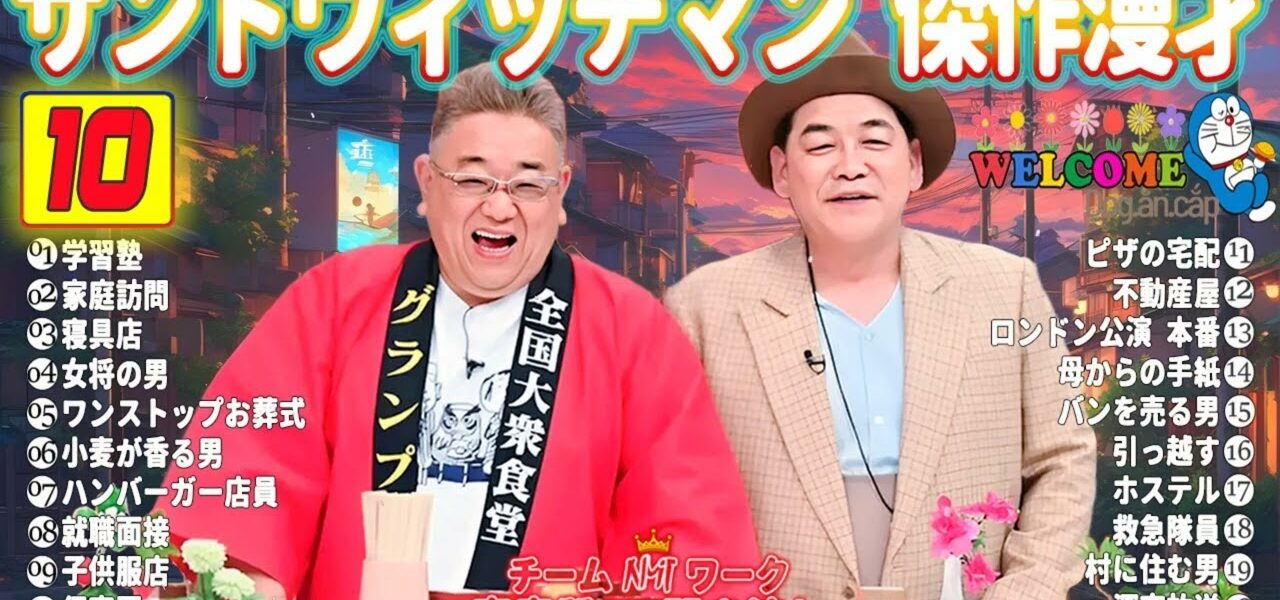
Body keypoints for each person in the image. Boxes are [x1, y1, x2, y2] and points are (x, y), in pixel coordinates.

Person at [154, 64, 759, 599]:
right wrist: (245, 577)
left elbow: (686, 524)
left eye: (528, 183)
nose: (499, 207)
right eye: (472, 180)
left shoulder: (633, 328)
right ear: (427, 181)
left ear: (561, 193)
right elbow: (247, 461)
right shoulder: (335, 298)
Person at [664, 31, 1096, 600]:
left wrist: (1028, 588)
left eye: (874, 141)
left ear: (913, 163)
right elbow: (667, 487)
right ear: (782, 170)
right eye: (821, 146)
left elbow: (1064, 454)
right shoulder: (701, 305)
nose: (850, 167)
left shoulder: (1006, 286)